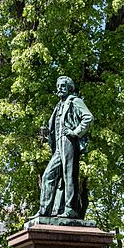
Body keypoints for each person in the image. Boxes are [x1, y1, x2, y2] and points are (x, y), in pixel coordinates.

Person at [35, 76, 93, 219]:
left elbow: (88, 117)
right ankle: (44, 211)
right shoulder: (58, 106)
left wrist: (76, 132)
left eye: (63, 86)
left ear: (69, 88)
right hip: (58, 145)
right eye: (58, 86)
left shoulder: (75, 101)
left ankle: (71, 209)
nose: (59, 88)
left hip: (69, 141)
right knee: (48, 175)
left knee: (69, 175)